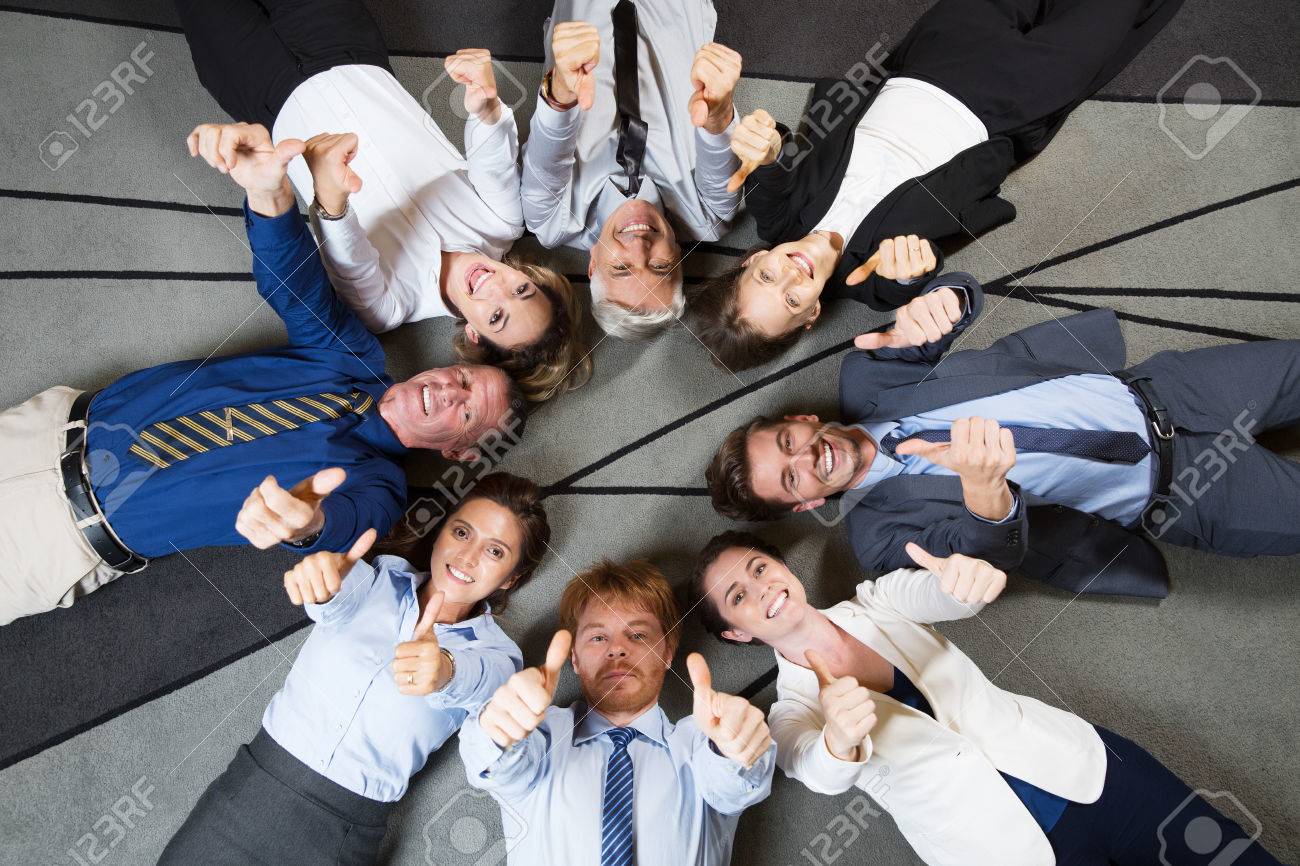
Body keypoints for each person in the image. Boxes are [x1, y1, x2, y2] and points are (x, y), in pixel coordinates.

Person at [0, 129, 525, 627]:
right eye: (460, 375)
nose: (446, 389)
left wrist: (307, 525)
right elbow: (296, 285)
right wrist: (268, 191)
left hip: (59, 539)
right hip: (47, 429)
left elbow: (340, 524)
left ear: (458, 452)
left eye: (467, 407)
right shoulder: (353, 358)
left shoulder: (379, 487)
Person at [691, 530, 1285, 866]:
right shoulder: (791, 714)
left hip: (1085, 772)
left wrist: (967, 581)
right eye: (740, 596)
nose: (764, 587)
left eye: (760, 566)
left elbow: (947, 594)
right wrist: (840, 743)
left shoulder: (877, 599)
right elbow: (814, 768)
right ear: (737, 632)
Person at [706, 272, 1300, 598]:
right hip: (1181, 494)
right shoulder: (882, 539)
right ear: (807, 502)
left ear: (801, 422)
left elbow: (954, 305)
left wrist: (943, 299)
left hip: (1163, 388)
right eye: (791, 478)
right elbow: (990, 556)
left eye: (787, 442)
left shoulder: (869, 372)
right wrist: (984, 492)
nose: (807, 457)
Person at [688, 0, 1184, 370]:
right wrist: (913, 270)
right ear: (813, 313)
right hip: (1006, 104)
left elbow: (772, 165)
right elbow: (907, 281)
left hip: (933, 60)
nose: (792, 276)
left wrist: (765, 147)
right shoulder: (873, 286)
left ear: (753, 259)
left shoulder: (776, 216)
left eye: (767, 278)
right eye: (793, 301)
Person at [174, 0, 592, 402]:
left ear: (474, 335)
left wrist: (331, 194)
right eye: (521, 289)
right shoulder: (502, 222)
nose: (495, 287)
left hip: (263, 94)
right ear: (529, 276)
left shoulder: (390, 307)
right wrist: (485, 106)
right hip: (344, 44)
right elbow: (492, 154)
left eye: (496, 316)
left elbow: (346, 249)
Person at [158, 473, 550, 866]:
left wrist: (443, 670)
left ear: (511, 579)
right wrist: (316, 569)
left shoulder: (499, 657)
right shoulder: (377, 577)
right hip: (249, 791)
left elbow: (476, 683)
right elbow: (334, 593)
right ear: (442, 531)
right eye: (462, 532)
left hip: (339, 834)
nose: (466, 557)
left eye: (495, 552)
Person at [458, 559, 776, 864]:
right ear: (575, 659)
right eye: (598, 636)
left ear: (667, 652)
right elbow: (494, 761)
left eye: (637, 635)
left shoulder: (701, 742)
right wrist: (498, 726)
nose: (617, 648)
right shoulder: (541, 735)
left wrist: (734, 747)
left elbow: (734, 785)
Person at [523, 0, 743, 339]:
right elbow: (717, 138)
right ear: (679, 259)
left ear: (593, 263)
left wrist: (563, 91)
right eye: (659, 266)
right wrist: (718, 112)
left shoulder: (551, 221)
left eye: (622, 267)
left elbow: (549, 146)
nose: (640, 247)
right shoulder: (711, 215)